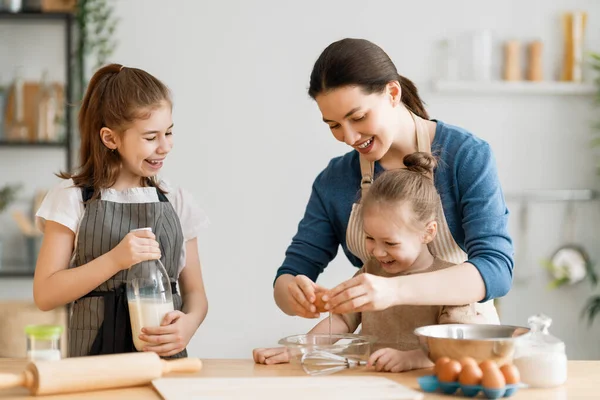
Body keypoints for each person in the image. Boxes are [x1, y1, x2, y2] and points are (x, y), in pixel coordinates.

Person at [274, 38, 513, 318]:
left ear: (392, 93)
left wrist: (395, 290)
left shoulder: (466, 155)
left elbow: (497, 270)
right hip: (381, 353)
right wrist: (294, 293)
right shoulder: (334, 179)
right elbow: (290, 273)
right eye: (334, 125)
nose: (349, 137)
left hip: (457, 344)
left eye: (359, 117)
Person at [255, 154, 497, 372]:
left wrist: (413, 358)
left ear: (428, 232)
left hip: (426, 385)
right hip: (374, 381)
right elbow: (341, 319)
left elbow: (456, 347)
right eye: (370, 238)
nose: (378, 252)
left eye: (390, 243)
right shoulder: (371, 272)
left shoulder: (449, 282)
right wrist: (299, 349)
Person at [33, 64, 209, 358]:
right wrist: (116, 259)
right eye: (151, 137)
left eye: (169, 132)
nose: (165, 146)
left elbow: (195, 294)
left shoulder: (176, 201)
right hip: (94, 370)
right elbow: (45, 294)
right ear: (110, 138)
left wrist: (189, 324)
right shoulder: (72, 199)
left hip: (164, 368)